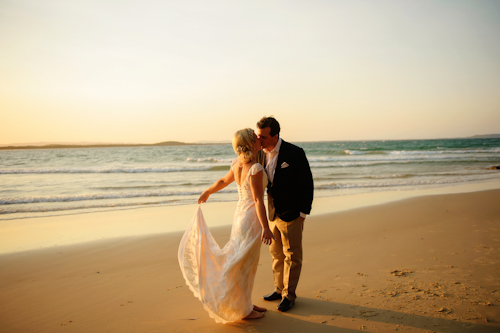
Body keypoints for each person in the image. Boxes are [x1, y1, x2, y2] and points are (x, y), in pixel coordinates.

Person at [178, 128, 275, 324]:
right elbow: (257, 200)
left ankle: (245, 303)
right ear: (251, 144)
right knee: (245, 265)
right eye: (255, 138)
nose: (259, 139)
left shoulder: (237, 164)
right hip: (251, 219)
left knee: (243, 262)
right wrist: (265, 227)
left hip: (239, 218)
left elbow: (223, 181)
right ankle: (244, 310)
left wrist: (208, 191)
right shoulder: (255, 168)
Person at [256, 116, 314, 312]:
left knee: (292, 256)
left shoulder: (294, 153)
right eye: (258, 136)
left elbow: (307, 183)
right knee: (276, 255)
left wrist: (303, 213)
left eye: (263, 137)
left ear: (275, 136)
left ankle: (289, 295)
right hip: (273, 214)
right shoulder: (260, 154)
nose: (259, 140)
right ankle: (278, 289)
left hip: (292, 214)